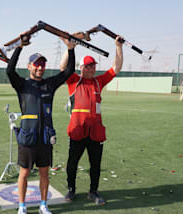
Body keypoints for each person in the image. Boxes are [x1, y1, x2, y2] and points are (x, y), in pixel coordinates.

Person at [6, 34, 76, 214]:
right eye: (36, 64)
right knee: (24, 173)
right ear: (29, 66)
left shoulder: (49, 84)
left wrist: (70, 48)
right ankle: (22, 206)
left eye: (42, 64)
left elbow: (68, 72)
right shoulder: (22, 85)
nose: (40, 67)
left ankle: (43, 205)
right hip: (27, 138)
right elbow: (9, 71)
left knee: (44, 173)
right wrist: (19, 47)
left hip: (45, 137)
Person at [60, 35, 123, 205]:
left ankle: (93, 192)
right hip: (77, 131)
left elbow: (115, 68)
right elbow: (63, 67)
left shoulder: (98, 82)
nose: (91, 69)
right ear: (81, 67)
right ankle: (71, 190)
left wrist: (118, 47)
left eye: (93, 66)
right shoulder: (74, 80)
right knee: (72, 163)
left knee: (95, 165)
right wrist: (69, 48)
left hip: (95, 133)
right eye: (88, 66)